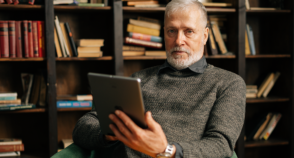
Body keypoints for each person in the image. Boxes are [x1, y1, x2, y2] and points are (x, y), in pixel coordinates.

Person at [72, 0, 246, 157]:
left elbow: (220, 144)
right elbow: (82, 127)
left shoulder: (228, 83)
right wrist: (111, 132)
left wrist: (167, 150)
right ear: (164, 34)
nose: (179, 40)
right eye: (172, 31)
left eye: (189, 31)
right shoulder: (138, 79)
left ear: (205, 35)